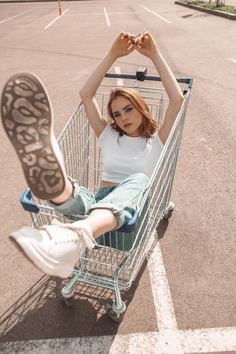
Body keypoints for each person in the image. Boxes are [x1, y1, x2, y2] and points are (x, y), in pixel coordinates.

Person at [1, 32, 184, 279]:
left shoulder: (155, 143)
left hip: (126, 226)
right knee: (78, 195)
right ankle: (57, 188)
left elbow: (176, 99)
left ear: (142, 109)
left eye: (128, 109)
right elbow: (86, 94)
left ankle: (75, 232)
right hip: (95, 209)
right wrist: (112, 54)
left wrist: (154, 54)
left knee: (139, 180)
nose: (123, 117)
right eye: (117, 114)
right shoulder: (109, 136)